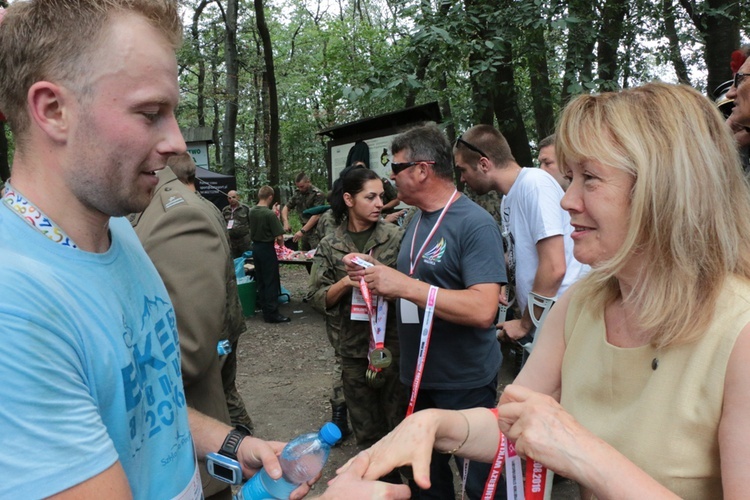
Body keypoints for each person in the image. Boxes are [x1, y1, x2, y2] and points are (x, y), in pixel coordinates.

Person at [334, 83, 750, 500]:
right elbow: (512, 420)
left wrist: (583, 452)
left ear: (665, 190)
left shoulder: (739, 331)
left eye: (589, 178)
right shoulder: (584, 301)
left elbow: (564, 440)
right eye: (570, 178)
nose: (567, 200)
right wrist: (436, 426)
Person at [0, 1, 308, 497]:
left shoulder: (116, 229)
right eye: (150, 114)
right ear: (53, 110)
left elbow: (141, 400)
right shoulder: (15, 308)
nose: (176, 143)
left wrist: (229, 444)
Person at [344, 123, 507, 499]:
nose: (390, 177)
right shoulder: (416, 221)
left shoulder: (474, 224)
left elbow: (484, 309)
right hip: (417, 380)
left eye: (396, 167)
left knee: (482, 483)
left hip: (463, 383)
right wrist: (377, 283)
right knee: (426, 481)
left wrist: (404, 286)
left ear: (422, 169)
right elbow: (419, 291)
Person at [131, 156, 254, 498]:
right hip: (170, 445)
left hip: (178, 460)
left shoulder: (177, 214)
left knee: (226, 394)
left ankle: (239, 448)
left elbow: (187, 354)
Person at [455, 125, 586, 345]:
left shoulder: (534, 185)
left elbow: (554, 267)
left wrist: (525, 324)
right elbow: (522, 256)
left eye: (463, 170)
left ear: (484, 164)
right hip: (545, 322)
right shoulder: (509, 197)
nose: (462, 179)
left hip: (565, 322)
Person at [308, 166, 408, 453]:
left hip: (392, 346)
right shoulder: (330, 244)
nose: (380, 203)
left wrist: (384, 279)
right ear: (349, 200)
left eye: (381, 196)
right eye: (371, 197)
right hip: (352, 350)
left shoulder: (396, 237)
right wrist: (345, 282)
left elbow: (415, 290)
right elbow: (317, 298)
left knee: (399, 424)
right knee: (366, 431)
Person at [250, 185, 291, 323]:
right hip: (267, 249)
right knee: (271, 281)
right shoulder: (269, 214)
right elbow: (279, 235)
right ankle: (272, 313)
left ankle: (264, 309)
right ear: (270, 197)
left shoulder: (252, 211)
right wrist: (282, 247)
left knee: (261, 280)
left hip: (256, 247)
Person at [282, 172, 326, 250]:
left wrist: (302, 231)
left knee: (316, 253)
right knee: (305, 255)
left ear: (308, 182)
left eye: (302, 186)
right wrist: (286, 222)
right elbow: (286, 207)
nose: (300, 189)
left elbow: (316, 215)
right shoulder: (298, 193)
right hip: (304, 230)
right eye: (298, 187)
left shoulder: (318, 194)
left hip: (316, 230)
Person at [222, 189, 253, 258]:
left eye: (233, 197)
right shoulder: (225, 210)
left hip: (244, 240)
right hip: (231, 241)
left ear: (238, 197)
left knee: (247, 260)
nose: (231, 199)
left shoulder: (245, 208)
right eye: (229, 198)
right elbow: (223, 223)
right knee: (233, 260)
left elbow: (251, 223)